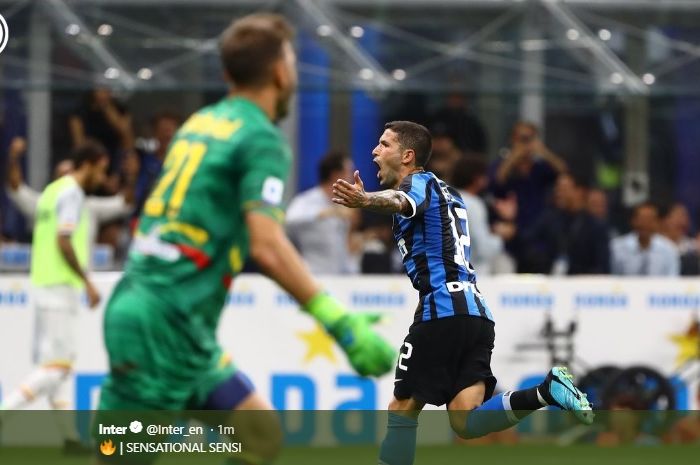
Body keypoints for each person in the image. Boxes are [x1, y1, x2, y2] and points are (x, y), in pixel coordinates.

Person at [94, 13, 395, 465]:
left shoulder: (201, 122)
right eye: (292, 61)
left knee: (259, 438)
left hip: (163, 316)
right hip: (165, 325)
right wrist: (339, 322)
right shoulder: (260, 139)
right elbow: (266, 244)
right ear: (279, 71)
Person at [331, 120, 592, 465]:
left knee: (403, 409)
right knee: (465, 421)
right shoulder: (449, 193)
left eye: (384, 144)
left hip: (441, 310)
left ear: (408, 156)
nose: (374, 151)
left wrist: (364, 200)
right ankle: (545, 392)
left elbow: (401, 200)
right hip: (476, 313)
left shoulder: (419, 183)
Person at [0, 141, 107, 453]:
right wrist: (87, 281)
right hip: (61, 287)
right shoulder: (72, 193)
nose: (103, 177)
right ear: (89, 163)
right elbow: (64, 239)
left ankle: (70, 439)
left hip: (45, 283)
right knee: (58, 366)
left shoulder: (51, 191)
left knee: (55, 366)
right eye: (101, 169)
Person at [5, 136, 134, 254]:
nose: (68, 179)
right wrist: (13, 158)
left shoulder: (89, 206)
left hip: (72, 276)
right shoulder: (42, 202)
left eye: (70, 174)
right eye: (62, 175)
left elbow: (125, 203)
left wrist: (130, 175)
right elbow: (16, 188)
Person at [286, 150, 361, 274]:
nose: (351, 178)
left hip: (341, 279)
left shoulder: (345, 205)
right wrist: (325, 213)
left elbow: (343, 247)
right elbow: (289, 220)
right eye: (348, 172)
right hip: (312, 276)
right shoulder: (306, 200)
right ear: (335, 174)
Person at [521, 174, 610, 275]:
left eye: (564, 189)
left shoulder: (596, 226)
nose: (559, 193)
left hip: (583, 285)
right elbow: (527, 242)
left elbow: (602, 267)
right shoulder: (549, 219)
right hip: (550, 281)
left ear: (579, 192)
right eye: (558, 189)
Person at [452, 156, 516, 275]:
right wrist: (501, 236)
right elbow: (484, 249)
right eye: (484, 176)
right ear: (477, 179)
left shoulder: (444, 199)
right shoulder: (473, 204)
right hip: (472, 276)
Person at [611, 202, 680, 276]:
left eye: (649, 220)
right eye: (642, 219)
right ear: (633, 221)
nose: (645, 224)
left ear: (657, 222)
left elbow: (673, 280)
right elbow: (611, 278)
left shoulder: (669, 249)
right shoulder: (616, 247)